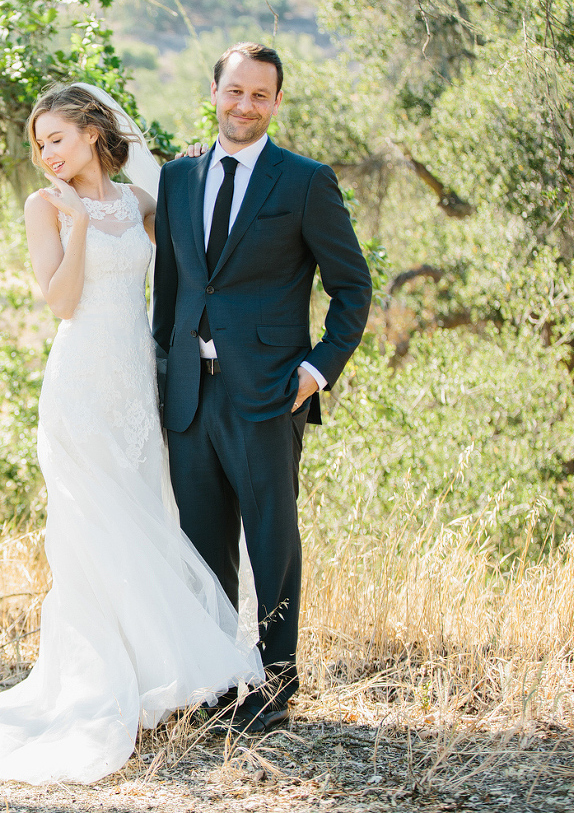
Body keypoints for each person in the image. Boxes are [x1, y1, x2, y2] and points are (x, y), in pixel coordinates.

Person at [0, 83, 265, 785]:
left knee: (143, 519)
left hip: (134, 386)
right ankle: (98, 688)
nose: (45, 154)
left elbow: (187, 253)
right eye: (38, 144)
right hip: (80, 385)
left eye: (55, 138)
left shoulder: (138, 203)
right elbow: (58, 300)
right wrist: (78, 225)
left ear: (93, 132)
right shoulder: (43, 206)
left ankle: (157, 681)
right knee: (93, 531)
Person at [153, 43, 373, 735]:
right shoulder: (178, 177)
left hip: (269, 393)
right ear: (213, 91)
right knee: (201, 544)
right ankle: (218, 682)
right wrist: (163, 374)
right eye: (234, 91)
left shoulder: (304, 182)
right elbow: (170, 291)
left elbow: (352, 288)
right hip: (190, 394)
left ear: (276, 102)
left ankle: (275, 688)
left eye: (259, 95)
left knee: (271, 540)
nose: (244, 105)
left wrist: (315, 370)